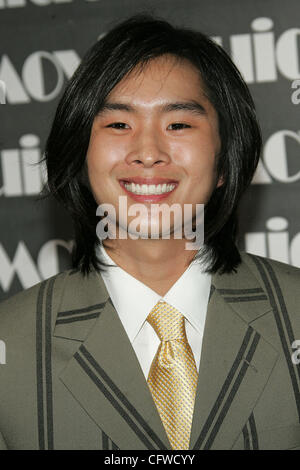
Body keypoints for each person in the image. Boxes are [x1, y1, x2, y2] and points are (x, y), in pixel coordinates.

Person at [0, 13, 300, 451]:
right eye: (118, 124)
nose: (148, 153)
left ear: (224, 158)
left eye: (178, 125)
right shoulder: (11, 345)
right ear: (79, 156)